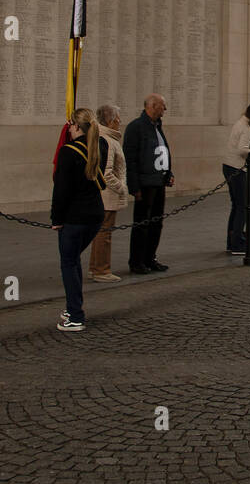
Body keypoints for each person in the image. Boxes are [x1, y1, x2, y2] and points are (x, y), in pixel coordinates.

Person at [51, 108, 107, 332]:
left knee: (69, 263)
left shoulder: (68, 152)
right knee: (74, 260)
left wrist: (56, 218)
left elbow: (62, 191)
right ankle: (72, 307)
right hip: (95, 215)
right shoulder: (100, 145)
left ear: (74, 126)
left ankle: (75, 316)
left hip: (74, 218)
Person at [123, 94, 174, 274]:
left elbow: (162, 151)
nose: (165, 110)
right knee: (142, 225)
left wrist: (168, 173)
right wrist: (134, 186)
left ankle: (150, 258)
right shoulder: (136, 128)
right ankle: (136, 261)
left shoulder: (157, 127)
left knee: (156, 223)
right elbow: (130, 160)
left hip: (158, 181)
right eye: (163, 106)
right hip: (145, 183)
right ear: (152, 106)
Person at [87, 104, 128, 283]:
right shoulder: (108, 141)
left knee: (101, 232)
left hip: (105, 194)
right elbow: (107, 171)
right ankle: (101, 270)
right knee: (104, 233)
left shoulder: (104, 137)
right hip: (108, 195)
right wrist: (121, 187)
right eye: (118, 119)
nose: (120, 122)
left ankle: (95, 267)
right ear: (111, 121)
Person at [223, 101, 250, 254]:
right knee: (242, 207)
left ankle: (232, 241)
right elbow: (242, 150)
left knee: (236, 206)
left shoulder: (242, 122)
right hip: (236, 168)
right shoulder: (247, 128)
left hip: (229, 166)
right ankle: (237, 244)